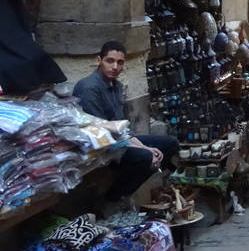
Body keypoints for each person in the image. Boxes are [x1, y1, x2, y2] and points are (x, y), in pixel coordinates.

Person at [73, 41, 180, 208]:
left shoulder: (116, 86)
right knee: (145, 157)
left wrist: (144, 146)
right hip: (100, 145)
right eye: (110, 61)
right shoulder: (89, 88)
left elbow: (122, 128)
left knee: (169, 144)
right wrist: (144, 149)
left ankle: (127, 191)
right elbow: (101, 131)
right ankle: (113, 198)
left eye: (120, 62)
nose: (115, 66)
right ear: (99, 60)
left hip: (118, 139)